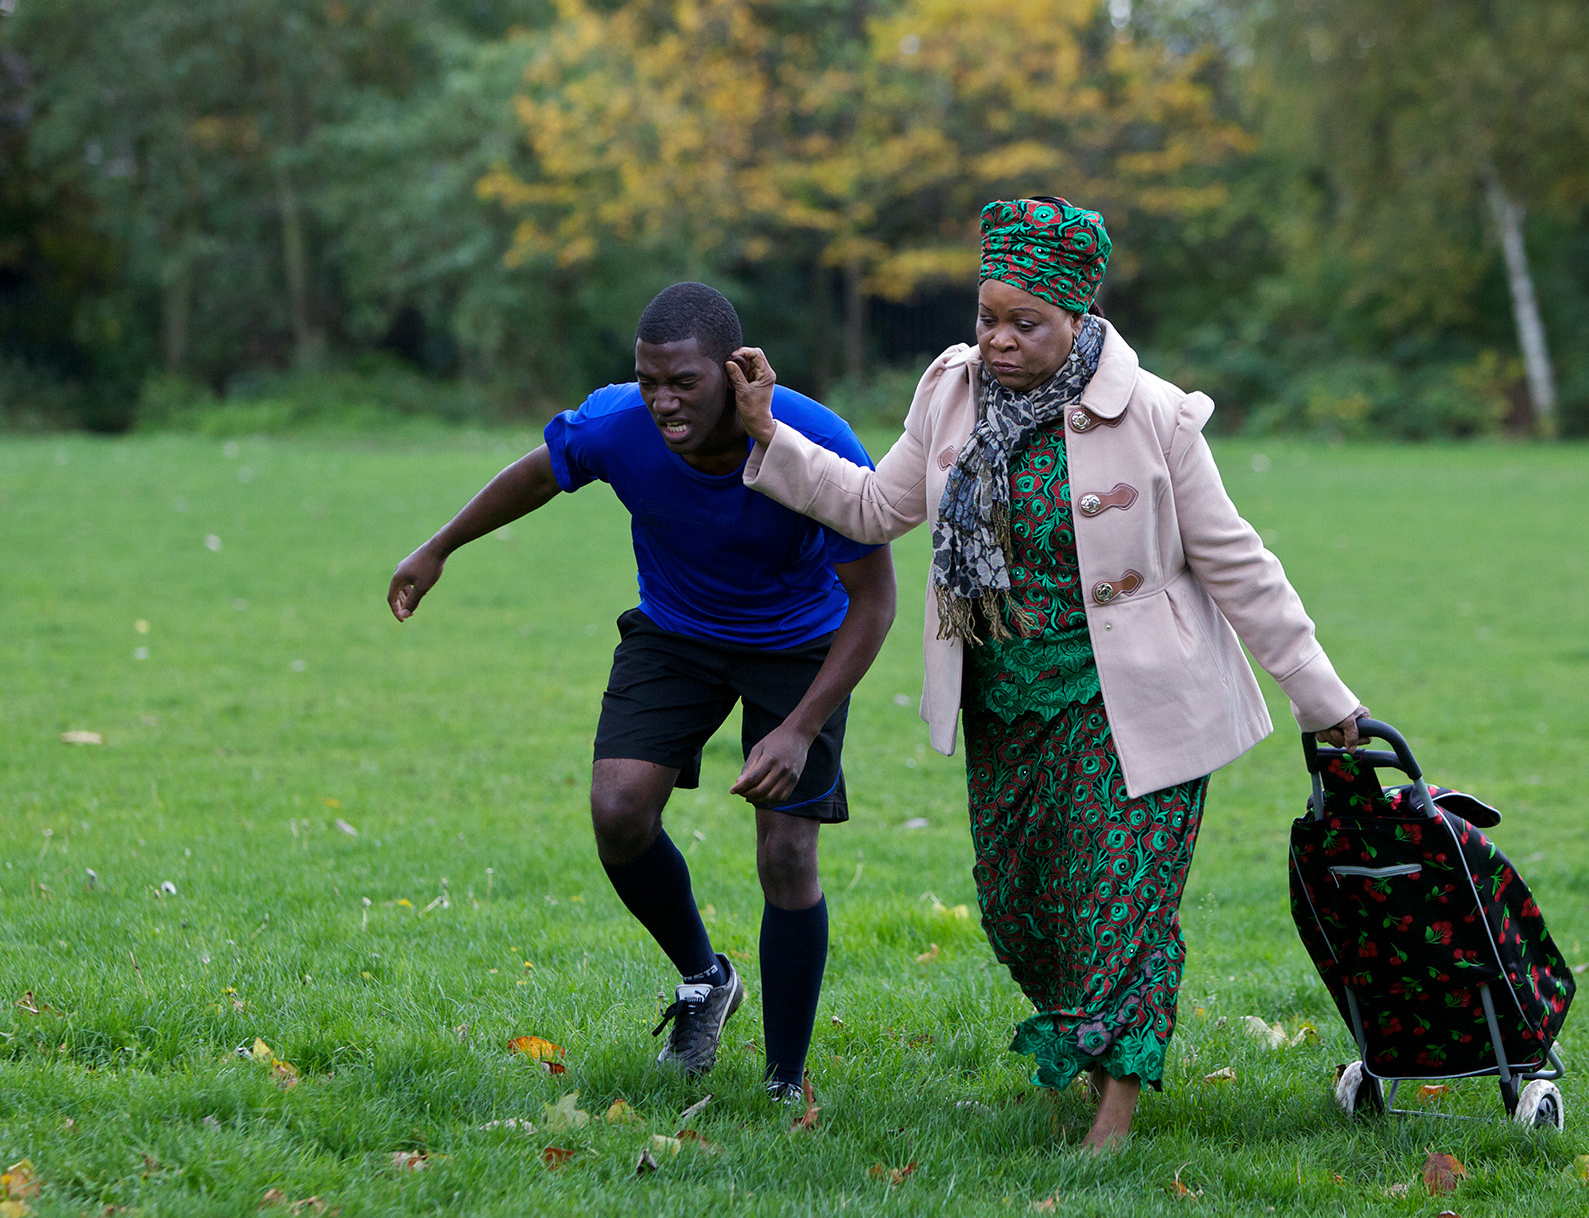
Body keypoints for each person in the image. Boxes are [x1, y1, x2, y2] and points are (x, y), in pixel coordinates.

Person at [727, 198, 1367, 1149]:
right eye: (988, 317)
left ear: (1077, 319)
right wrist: (767, 433)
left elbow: (1238, 563)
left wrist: (1325, 700)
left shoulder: (1151, 417)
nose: (999, 341)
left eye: (1025, 323)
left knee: (1124, 905)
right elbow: (872, 506)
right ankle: (1088, 1037)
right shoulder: (949, 393)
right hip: (1006, 705)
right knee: (1022, 910)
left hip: (1137, 708)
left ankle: (1115, 1111)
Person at [387, 282, 896, 1103]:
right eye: (648, 379)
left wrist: (799, 729)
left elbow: (876, 603)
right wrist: (440, 545)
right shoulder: (619, 422)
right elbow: (540, 472)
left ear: (734, 373)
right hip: (677, 632)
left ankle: (784, 1078)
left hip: (800, 643)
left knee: (787, 851)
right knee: (619, 813)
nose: (662, 401)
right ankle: (705, 979)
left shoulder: (814, 440)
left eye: (683, 382)